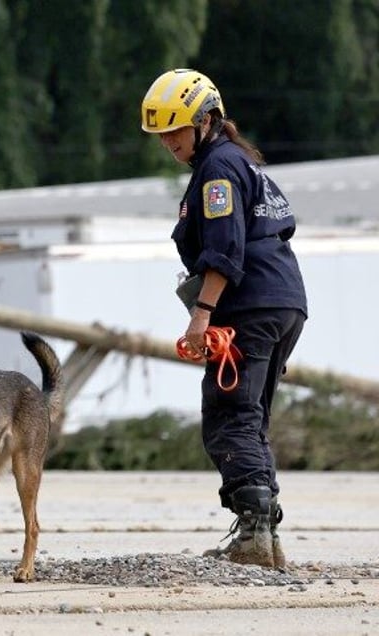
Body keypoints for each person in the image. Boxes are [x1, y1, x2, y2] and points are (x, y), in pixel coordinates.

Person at [140, 68, 308, 568]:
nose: (169, 141)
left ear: (206, 120)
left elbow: (224, 249)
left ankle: (255, 537)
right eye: (162, 133)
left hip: (250, 306)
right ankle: (265, 541)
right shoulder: (242, 163)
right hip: (283, 301)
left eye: (175, 129)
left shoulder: (218, 172)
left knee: (229, 415)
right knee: (250, 418)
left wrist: (202, 314)